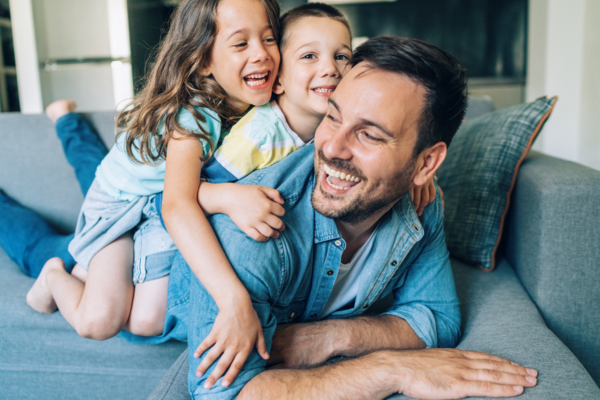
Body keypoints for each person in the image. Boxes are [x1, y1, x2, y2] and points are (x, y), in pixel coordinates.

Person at [148, 35, 539, 399]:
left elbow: (437, 316)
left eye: (369, 135)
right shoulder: (253, 229)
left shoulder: (421, 201)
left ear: (426, 164)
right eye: (332, 116)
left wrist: (325, 338)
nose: (332, 147)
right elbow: (226, 393)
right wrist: (388, 368)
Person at [24, 0, 284, 379]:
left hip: (140, 191)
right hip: (119, 209)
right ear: (204, 60)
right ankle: (51, 274)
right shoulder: (196, 118)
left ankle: (66, 119)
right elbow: (177, 205)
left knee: (93, 163)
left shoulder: (249, 104)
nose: (261, 54)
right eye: (240, 44)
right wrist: (233, 297)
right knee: (99, 320)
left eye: (270, 38)